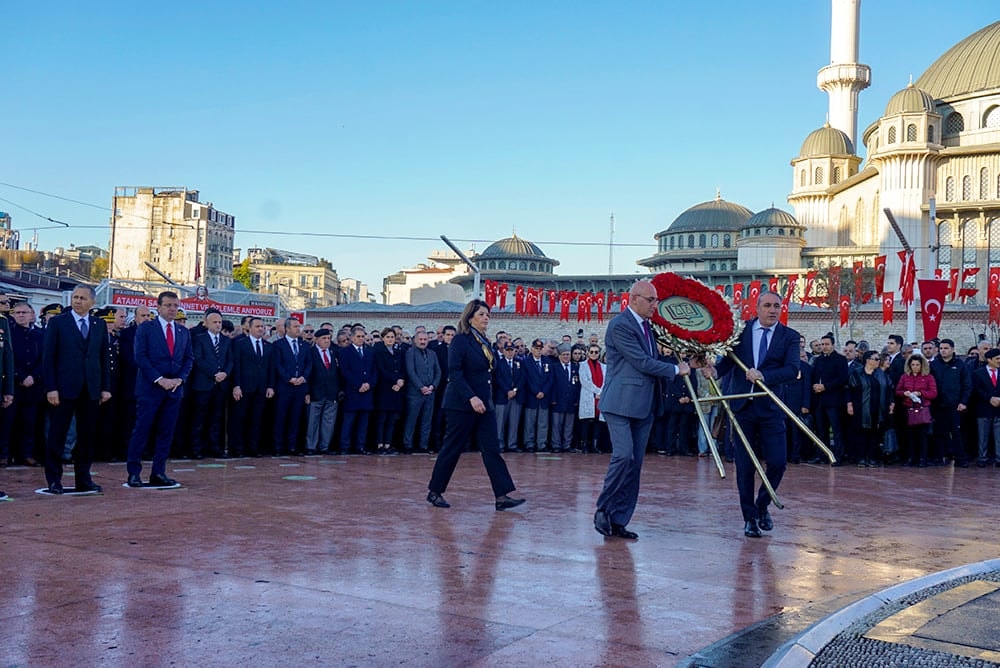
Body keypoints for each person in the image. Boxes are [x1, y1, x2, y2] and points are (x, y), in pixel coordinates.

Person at [594, 280, 690, 540]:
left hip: (645, 405)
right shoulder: (620, 325)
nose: (655, 305)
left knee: (635, 465)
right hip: (620, 402)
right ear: (634, 298)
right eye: (651, 300)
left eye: (656, 300)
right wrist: (674, 370)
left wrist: (690, 359)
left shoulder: (650, 327)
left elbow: (659, 356)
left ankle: (619, 519)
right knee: (623, 456)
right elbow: (641, 361)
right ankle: (603, 508)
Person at [704, 290, 799, 538]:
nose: (772, 310)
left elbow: (792, 369)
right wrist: (713, 372)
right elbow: (727, 363)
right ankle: (749, 518)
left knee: (778, 462)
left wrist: (764, 375)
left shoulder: (789, 336)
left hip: (770, 407)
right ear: (756, 308)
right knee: (745, 466)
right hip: (741, 408)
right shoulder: (741, 331)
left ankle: (762, 505)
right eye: (767, 305)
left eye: (777, 306)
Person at [426, 299, 524, 511]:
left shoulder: (485, 342)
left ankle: (502, 495)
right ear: (470, 318)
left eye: (488, 314)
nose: (486, 317)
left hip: (484, 404)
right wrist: (471, 397)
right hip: (462, 403)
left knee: (491, 448)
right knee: (452, 448)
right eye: (481, 314)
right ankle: (435, 491)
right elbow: (455, 372)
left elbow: (489, 372)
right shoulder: (462, 340)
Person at [42, 284, 110, 494]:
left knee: (87, 436)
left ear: (92, 302)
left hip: (90, 389)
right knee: (57, 435)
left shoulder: (99, 325)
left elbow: (103, 359)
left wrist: (105, 388)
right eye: (75, 297)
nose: (77, 301)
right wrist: (51, 388)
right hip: (63, 389)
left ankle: (83, 478)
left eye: (82, 298)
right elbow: (48, 358)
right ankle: (54, 480)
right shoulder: (58, 323)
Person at [125, 291, 194, 487]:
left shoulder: (183, 331)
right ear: (159, 307)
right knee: (142, 430)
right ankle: (134, 472)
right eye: (169, 305)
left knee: (166, 432)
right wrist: (159, 379)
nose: (173, 309)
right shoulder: (147, 329)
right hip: (150, 388)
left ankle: (159, 472)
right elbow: (141, 357)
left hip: (174, 390)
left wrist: (179, 379)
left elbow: (189, 358)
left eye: (175, 306)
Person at [229, 317, 275, 457]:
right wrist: (236, 385)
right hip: (244, 387)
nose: (261, 328)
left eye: (262, 326)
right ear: (249, 328)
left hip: (261, 389)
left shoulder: (268, 346)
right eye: (257, 326)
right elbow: (236, 366)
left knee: (257, 419)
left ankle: (253, 448)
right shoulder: (240, 344)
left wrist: (270, 386)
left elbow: (271, 368)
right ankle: (238, 448)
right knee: (240, 418)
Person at [189, 309, 232, 459]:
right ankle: (196, 448)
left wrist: (225, 373)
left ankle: (215, 447)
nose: (218, 325)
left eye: (220, 322)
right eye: (214, 322)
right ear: (206, 323)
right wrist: (214, 373)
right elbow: (198, 359)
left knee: (217, 418)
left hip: (220, 386)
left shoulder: (226, 340)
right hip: (204, 384)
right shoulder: (199, 338)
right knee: (199, 418)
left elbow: (230, 360)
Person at [271, 317, 312, 456]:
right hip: (284, 387)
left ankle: (293, 446)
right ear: (287, 328)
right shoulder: (278, 345)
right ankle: (278, 447)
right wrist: (289, 378)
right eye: (295, 326)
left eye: (298, 326)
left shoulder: (304, 345)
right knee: (281, 417)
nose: (298, 329)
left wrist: (303, 377)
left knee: (296, 418)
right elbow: (278, 365)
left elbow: (308, 364)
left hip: (300, 387)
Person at [846, 350, 894, 467]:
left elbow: (889, 389)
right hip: (861, 409)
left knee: (875, 434)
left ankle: (873, 458)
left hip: (878, 409)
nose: (878, 361)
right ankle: (861, 458)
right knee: (861, 433)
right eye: (876, 359)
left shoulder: (882, 374)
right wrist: (849, 403)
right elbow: (848, 390)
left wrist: (892, 403)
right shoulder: (857, 374)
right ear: (868, 360)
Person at [929, 338, 971, 467]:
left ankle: (960, 459)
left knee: (957, 432)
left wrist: (963, 402)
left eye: (946, 348)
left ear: (952, 349)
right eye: (941, 348)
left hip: (955, 405)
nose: (943, 351)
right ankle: (939, 457)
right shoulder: (934, 365)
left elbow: (967, 384)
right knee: (939, 432)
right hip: (938, 405)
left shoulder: (960, 365)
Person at [809, 334, 848, 465]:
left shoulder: (840, 360)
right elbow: (814, 376)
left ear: (833, 345)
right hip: (819, 401)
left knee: (837, 429)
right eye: (822, 344)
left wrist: (825, 386)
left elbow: (842, 379)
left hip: (834, 401)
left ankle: (838, 456)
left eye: (826, 344)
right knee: (821, 430)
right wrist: (815, 385)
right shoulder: (818, 360)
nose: (824, 347)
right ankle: (822, 454)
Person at [339, 325, 377, 455]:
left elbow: (374, 371)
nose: (361, 339)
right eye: (358, 337)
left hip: (366, 392)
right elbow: (345, 371)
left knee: (363, 422)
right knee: (349, 421)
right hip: (352, 391)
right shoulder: (345, 352)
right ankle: (345, 446)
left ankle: (360, 446)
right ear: (352, 337)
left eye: (362, 336)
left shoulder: (369, 352)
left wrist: (369, 384)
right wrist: (358, 384)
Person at [895, 353, 938, 467]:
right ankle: (911, 457)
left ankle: (923, 458)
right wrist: (904, 393)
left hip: (923, 409)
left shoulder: (928, 377)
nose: (915, 367)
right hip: (908, 409)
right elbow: (898, 390)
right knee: (910, 435)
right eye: (912, 364)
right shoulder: (904, 377)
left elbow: (933, 393)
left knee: (923, 436)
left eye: (917, 365)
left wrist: (921, 393)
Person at [403, 330, 440, 454]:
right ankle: (408, 444)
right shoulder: (410, 353)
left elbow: (438, 372)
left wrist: (433, 386)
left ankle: (423, 445)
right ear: (415, 340)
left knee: (427, 420)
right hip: (415, 393)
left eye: (425, 339)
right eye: (421, 339)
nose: (423, 342)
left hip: (430, 393)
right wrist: (421, 387)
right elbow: (410, 371)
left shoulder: (432, 354)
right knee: (411, 420)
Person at [305, 328, 341, 454]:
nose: (327, 341)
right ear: (317, 340)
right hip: (316, 392)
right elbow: (308, 374)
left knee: (328, 422)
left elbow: (337, 373)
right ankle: (311, 446)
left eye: (328, 338)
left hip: (331, 393)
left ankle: (324, 446)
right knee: (312, 421)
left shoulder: (333, 352)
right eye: (324, 339)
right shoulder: (310, 353)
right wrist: (307, 392)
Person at [372, 327, 405, 455]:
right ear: (383, 338)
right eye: (388, 337)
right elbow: (381, 369)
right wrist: (395, 380)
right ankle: (380, 444)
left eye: (392, 337)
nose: (390, 339)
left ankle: (388, 444)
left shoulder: (398, 351)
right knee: (382, 418)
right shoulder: (378, 351)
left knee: (392, 419)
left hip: (397, 389)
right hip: (384, 388)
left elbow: (402, 367)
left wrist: (401, 380)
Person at [970, 348, 1000, 467]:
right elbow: (977, 390)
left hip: (998, 409)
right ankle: (982, 457)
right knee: (983, 436)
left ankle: (998, 458)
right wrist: (989, 398)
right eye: (997, 359)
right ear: (989, 360)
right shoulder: (978, 373)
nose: (999, 361)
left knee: (999, 436)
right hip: (983, 409)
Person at [549, 343, 580, 453]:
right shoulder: (555, 367)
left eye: (568, 354)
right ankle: (556, 444)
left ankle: (567, 444)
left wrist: (577, 399)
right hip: (558, 400)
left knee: (569, 424)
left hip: (571, 401)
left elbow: (578, 385)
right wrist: (553, 398)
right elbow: (551, 384)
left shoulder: (575, 367)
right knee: (557, 424)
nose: (566, 357)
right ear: (559, 356)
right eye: (564, 354)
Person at [578, 343, 607, 454]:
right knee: (586, 422)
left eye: (596, 352)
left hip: (600, 397)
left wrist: (600, 391)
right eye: (592, 352)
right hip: (588, 395)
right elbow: (585, 381)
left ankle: (595, 445)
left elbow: (606, 381)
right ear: (588, 353)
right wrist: (597, 391)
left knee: (597, 422)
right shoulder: (582, 365)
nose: (594, 354)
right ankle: (585, 444)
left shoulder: (604, 367)